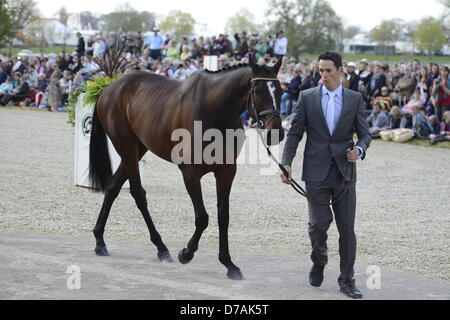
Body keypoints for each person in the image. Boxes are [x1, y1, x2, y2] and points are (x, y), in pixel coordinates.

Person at [280, 51, 371, 299]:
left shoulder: (355, 99)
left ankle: (346, 280)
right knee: (318, 225)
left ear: (341, 71)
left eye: (328, 70)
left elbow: (365, 134)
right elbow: (295, 134)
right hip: (315, 172)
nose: (324, 75)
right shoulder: (307, 97)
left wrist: (359, 150)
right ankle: (319, 259)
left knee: (347, 230)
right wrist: (286, 163)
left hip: (344, 174)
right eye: (320, 70)